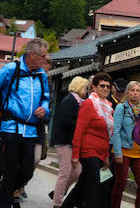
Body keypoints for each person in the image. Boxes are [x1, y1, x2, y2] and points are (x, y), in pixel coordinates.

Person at [0, 37, 51, 208]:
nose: (45, 60)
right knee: (10, 171)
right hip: (10, 127)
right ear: (32, 55)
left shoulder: (41, 75)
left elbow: (46, 98)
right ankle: (2, 202)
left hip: (31, 131)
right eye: (43, 56)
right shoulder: (11, 69)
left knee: (27, 172)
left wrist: (44, 109)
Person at [64, 73, 113, 208]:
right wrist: (75, 155)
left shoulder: (108, 107)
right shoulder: (89, 103)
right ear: (94, 87)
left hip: (101, 151)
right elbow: (79, 130)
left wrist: (107, 156)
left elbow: (107, 135)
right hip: (88, 150)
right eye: (102, 85)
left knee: (83, 185)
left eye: (108, 86)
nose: (105, 88)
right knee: (94, 186)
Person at [111, 80, 140, 208]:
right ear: (127, 93)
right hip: (123, 149)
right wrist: (117, 151)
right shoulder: (121, 108)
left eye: (137, 91)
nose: (135, 93)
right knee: (120, 183)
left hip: (138, 151)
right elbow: (115, 130)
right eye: (132, 90)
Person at [50, 76, 89, 208]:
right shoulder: (69, 100)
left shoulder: (79, 101)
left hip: (71, 142)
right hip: (64, 141)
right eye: (85, 88)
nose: (86, 91)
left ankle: (57, 193)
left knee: (77, 171)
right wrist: (80, 125)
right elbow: (65, 119)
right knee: (65, 173)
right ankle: (57, 203)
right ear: (79, 87)